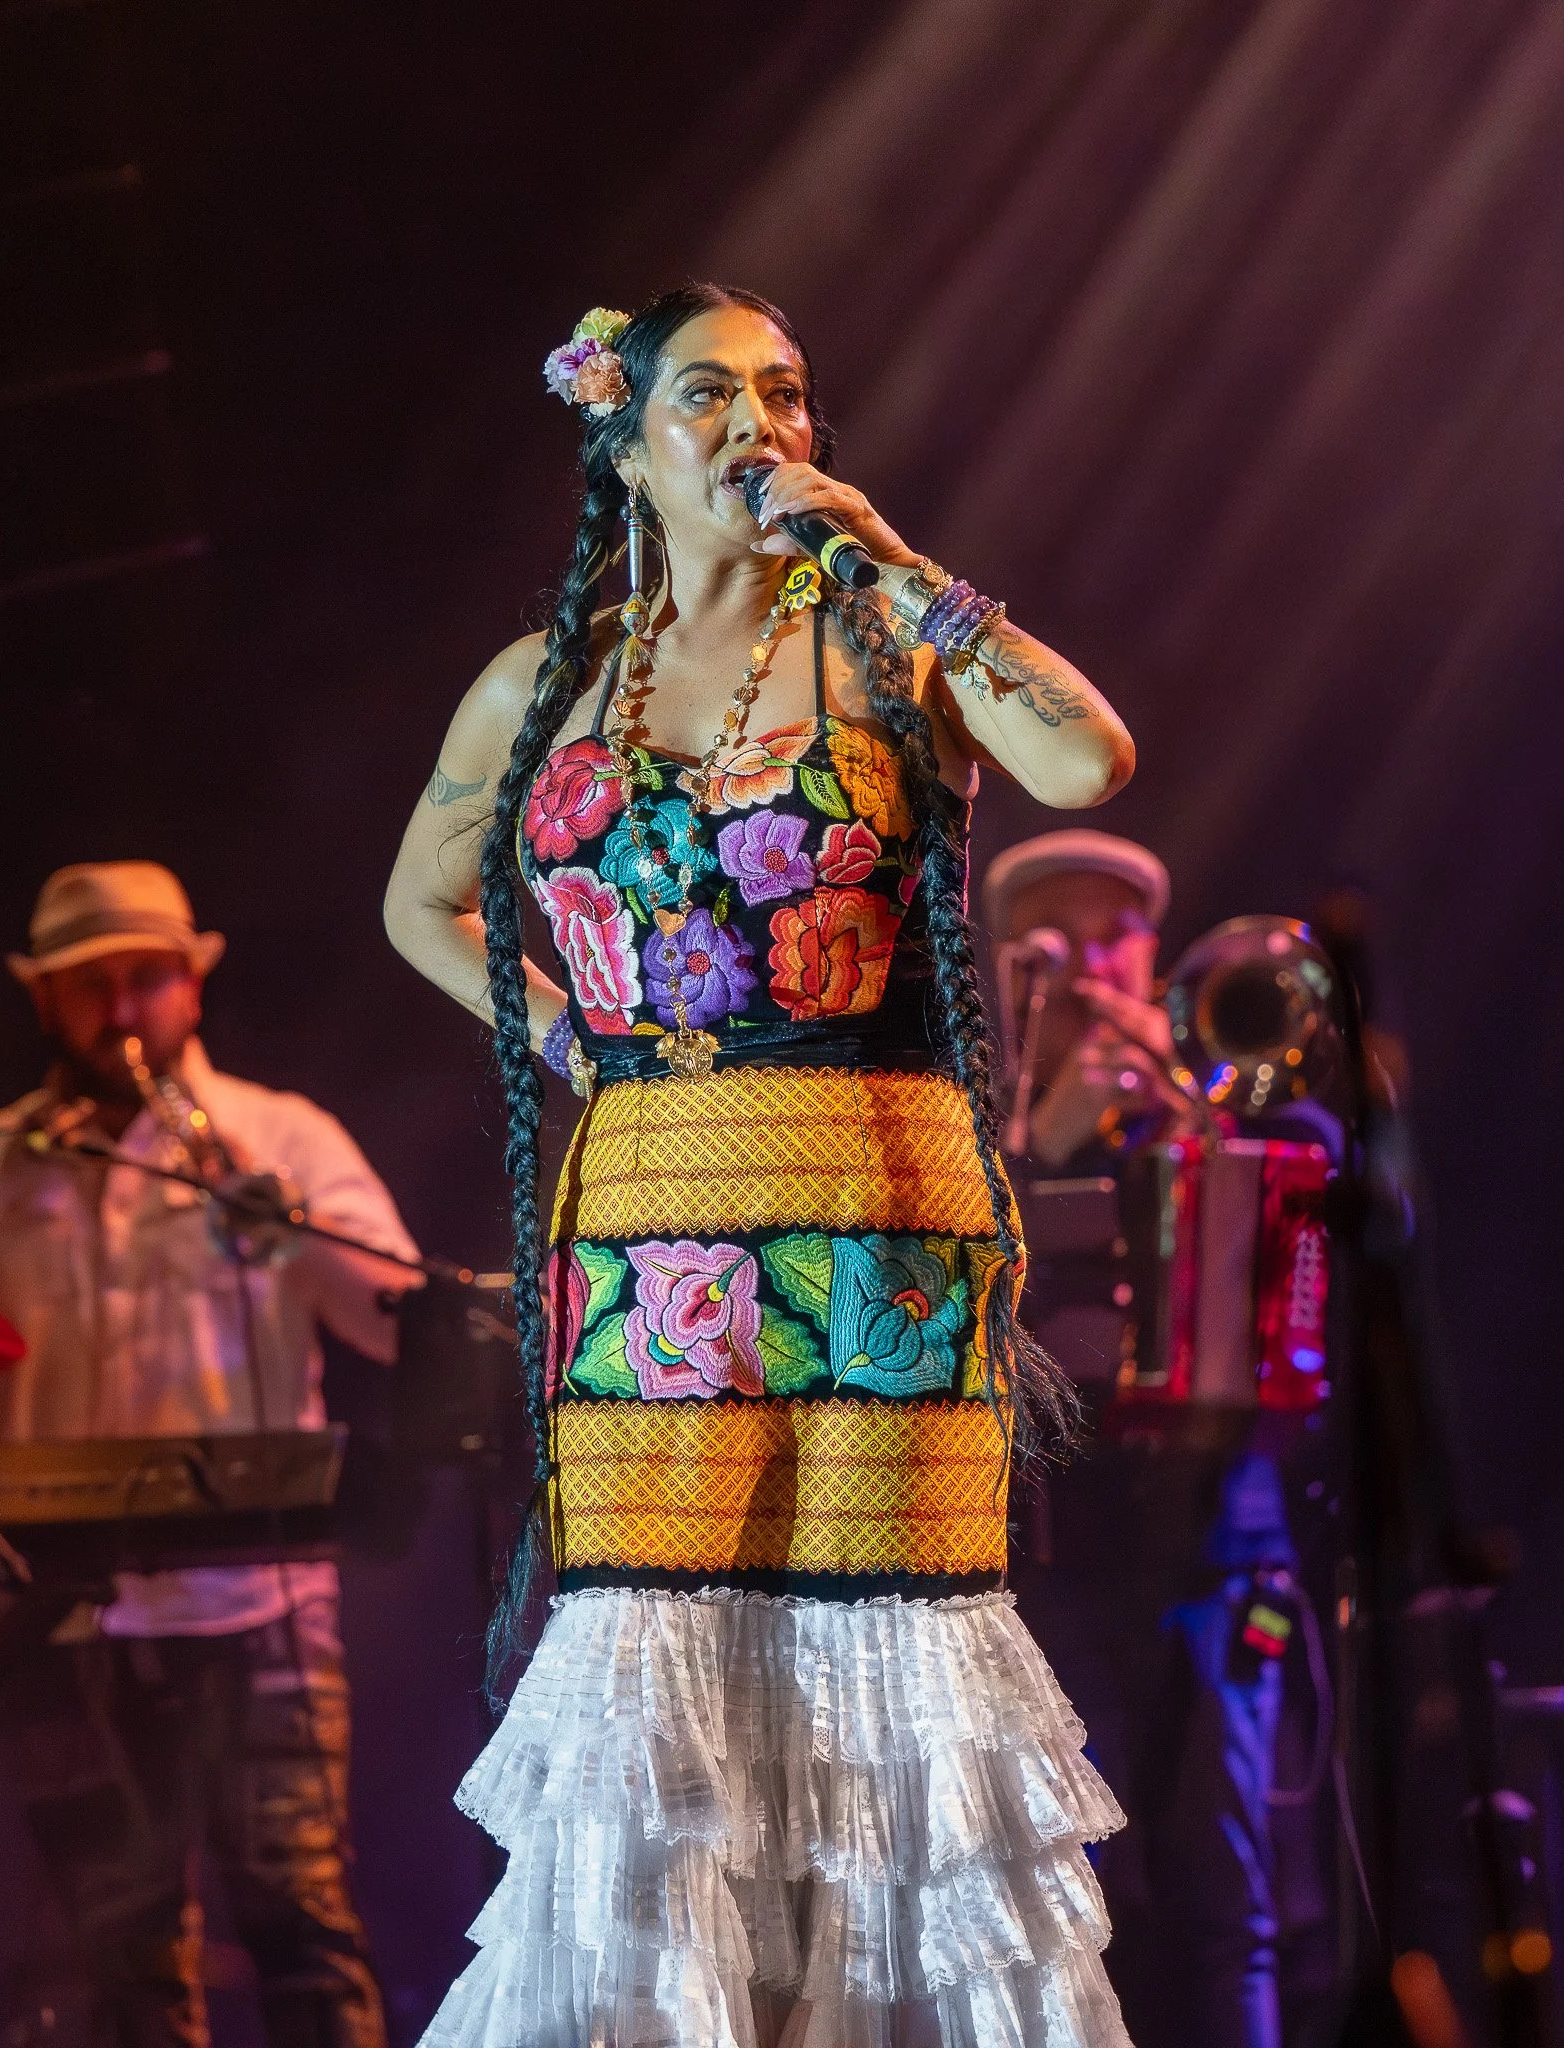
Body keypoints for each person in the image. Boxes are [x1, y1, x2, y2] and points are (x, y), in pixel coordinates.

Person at [385, 284, 1137, 2048]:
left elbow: (1084, 758)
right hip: (650, 1213)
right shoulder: (544, 681)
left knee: (882, 1648)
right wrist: (574, 1040)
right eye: (710, 394)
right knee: (661, 1646)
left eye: (786, 394)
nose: (758, 426)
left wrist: (893, 559)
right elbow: (422, 902)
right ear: (624, 439)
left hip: (873, 1197)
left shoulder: (887, 638)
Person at [0, 860, 420, 2048]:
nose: (121, 1008)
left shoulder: (281, 1134)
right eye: (89, 983)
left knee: (303, 1919)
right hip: (54, 1612)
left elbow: (395, 1314)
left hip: (260, 1599)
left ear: (192, 986)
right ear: (44, 1000)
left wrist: (277, 1215)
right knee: (119, 1950)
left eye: (145, 976)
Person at [983, 830, 1336, 2048]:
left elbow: (1316, 1193)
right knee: (1069, 1894)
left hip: (1218, 1537)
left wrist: (1192, 1113)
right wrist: (1050, 1138)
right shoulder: (982, 1130)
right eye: (1059, 941)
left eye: (1115, 936)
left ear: (1153, 956)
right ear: (1012, 966)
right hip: (1050, 1556)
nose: (1092, 964)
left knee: (1227, 1889)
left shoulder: (1222, 1098)